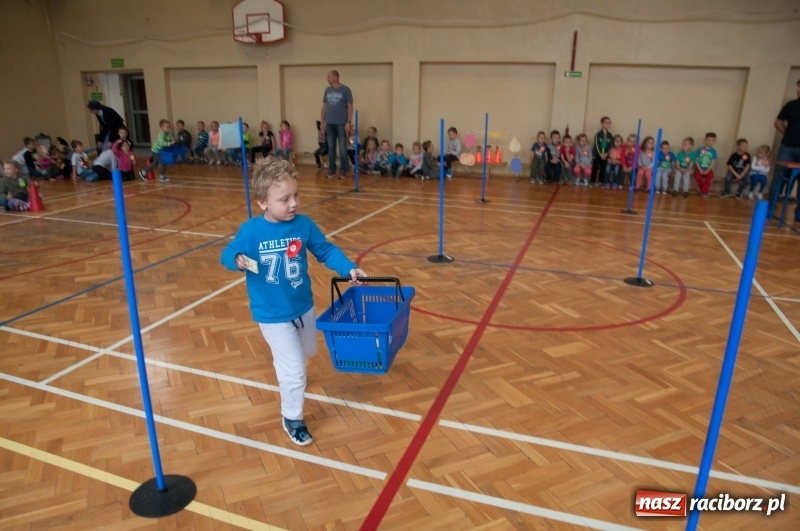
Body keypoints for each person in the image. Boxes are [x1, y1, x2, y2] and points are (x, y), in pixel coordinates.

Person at [220, 159, 366, 446]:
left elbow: (326, 251)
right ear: (262, 202)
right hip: (271, 315)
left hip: (303, 307)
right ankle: (292, 417)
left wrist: (348, 268)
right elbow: (226, 252)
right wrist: (236, 259)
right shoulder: (250, 231)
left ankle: (290, 370)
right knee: (294, 370)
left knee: (308, 352)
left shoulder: (304, 225)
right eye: (284, 199)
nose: (293, 204)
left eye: (296, 196)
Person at [773, 78, 800, 221]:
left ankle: (799, 213)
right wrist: (788, 134)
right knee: (778, 178)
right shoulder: (791, 105)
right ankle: (770, 209)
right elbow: (778, 123)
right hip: (788, 146)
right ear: (797, 88)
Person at [321, 70, 353, 179]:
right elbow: (324, 106)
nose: (328, 79)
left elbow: (350, 106)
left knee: (342, 147)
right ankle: (332, 169)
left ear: (335, 77)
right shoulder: (327, 90)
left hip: (341, 123)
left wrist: (348, 122)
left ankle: (344, 169)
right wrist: (322, 121)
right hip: (329, 123)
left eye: (329, 77)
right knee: (331, 147)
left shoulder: (345, 90)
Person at [139, 119, 173, 183]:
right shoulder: (161, 134)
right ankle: (162, 177)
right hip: (156, 151)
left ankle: (143, 172)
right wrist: (170, 143)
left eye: (169, 127)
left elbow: (170, 140)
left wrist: (172, 141)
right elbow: (162, 143)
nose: (169, 128)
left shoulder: (168, 134)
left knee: (155, 164)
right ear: (162, 127)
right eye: (167, 127)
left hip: (160, 151)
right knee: (164, 162)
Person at [693, 132, 718, 198]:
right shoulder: (699, 149)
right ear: (705, 140)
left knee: (710, 177)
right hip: (699, 168)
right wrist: (700, 169)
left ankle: (704, 191)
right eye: (708, 140)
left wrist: (708, 170)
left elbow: (713, 162)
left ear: (714, 141)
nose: (710, 142)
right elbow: (696, 160)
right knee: (697, 177)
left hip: (708, 169)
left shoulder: (713, 151)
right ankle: (704, 191)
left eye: (712, 140)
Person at [592, 116, 613, 186]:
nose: (608, 124)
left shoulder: (610, 135)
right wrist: (600, 154)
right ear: (602, 124)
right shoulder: (598, 134)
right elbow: (597, 145)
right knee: (595, 167)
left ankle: (601, 182)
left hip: (605, 155)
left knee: (603, 168)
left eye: (609, 123)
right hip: (597, 154)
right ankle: (592, 181)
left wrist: (606, 153)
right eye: (606, 123)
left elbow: (610, 145)